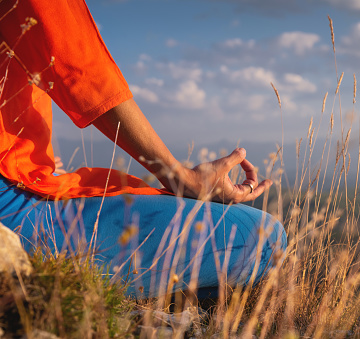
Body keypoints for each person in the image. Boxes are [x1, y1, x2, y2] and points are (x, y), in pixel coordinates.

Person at [0, 0, 286, 298]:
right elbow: (81, 67)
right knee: (265, 239)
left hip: (15, 182)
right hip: (9, 204)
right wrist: (181, 177)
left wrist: (32, 155)